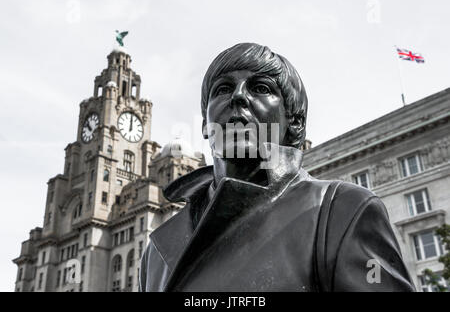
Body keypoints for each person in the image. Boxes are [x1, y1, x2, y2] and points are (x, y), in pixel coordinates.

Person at [139, 43, 415, 292]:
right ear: (204, 125)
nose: (238, 97)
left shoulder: (342, 211)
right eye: (222, 89)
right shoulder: (156, 251)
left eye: (261, 88)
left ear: (294, 122)